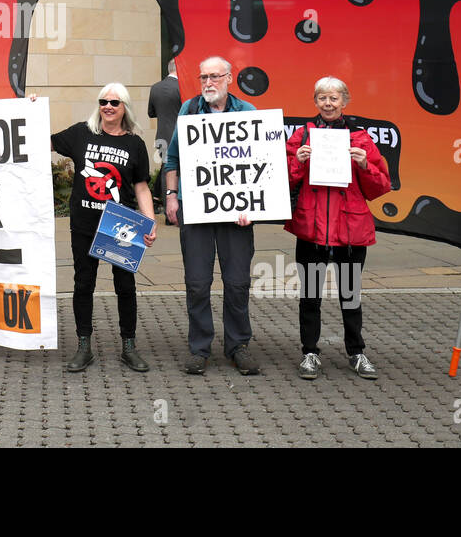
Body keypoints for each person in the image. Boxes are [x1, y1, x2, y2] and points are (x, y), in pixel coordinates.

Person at [285, 77, 391, 381]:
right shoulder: (302, 136)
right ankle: (310, 353)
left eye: (333, 98)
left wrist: (364, 166)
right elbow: (282, 180)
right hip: (312, 229)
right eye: (322, 98)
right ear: (315, 101)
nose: (328, 104)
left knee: (350, 294)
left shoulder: (360, 139)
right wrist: (299, 162)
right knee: (310, 296)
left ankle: (356, 352)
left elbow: (381, 187)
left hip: (349, 231)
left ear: (345, 101)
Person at [162, 57, 260, 376]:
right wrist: (172, 196)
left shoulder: (247, 114)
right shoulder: (189, 110)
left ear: (229, 78)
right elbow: (173, 158)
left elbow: (261, 165)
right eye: (203, 76)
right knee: (197, 284)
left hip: (237, 214)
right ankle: (199, 348)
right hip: (196, 211)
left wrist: (255, 206)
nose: (208, 82)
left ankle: (238, 346)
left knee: (237, 283)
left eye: (215, 76)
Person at [50, 83, 158, 372]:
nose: (108, 106)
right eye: (103, 101)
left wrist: (150, 222)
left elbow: (141, 187)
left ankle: (129, 346)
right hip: (84, 223)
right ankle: (84, 345)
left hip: (120, 224)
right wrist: (32, 106)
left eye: (115, 102)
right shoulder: (81, 134)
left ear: (125, 108)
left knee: (125, 286)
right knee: (83, 283)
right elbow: (42, 141)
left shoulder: (134, 144)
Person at [147, 58, 181, 166]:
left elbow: (151, 113)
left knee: (166, 169)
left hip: (162, 139)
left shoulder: (155, 88)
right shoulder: (181, 87)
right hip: (180, 138)